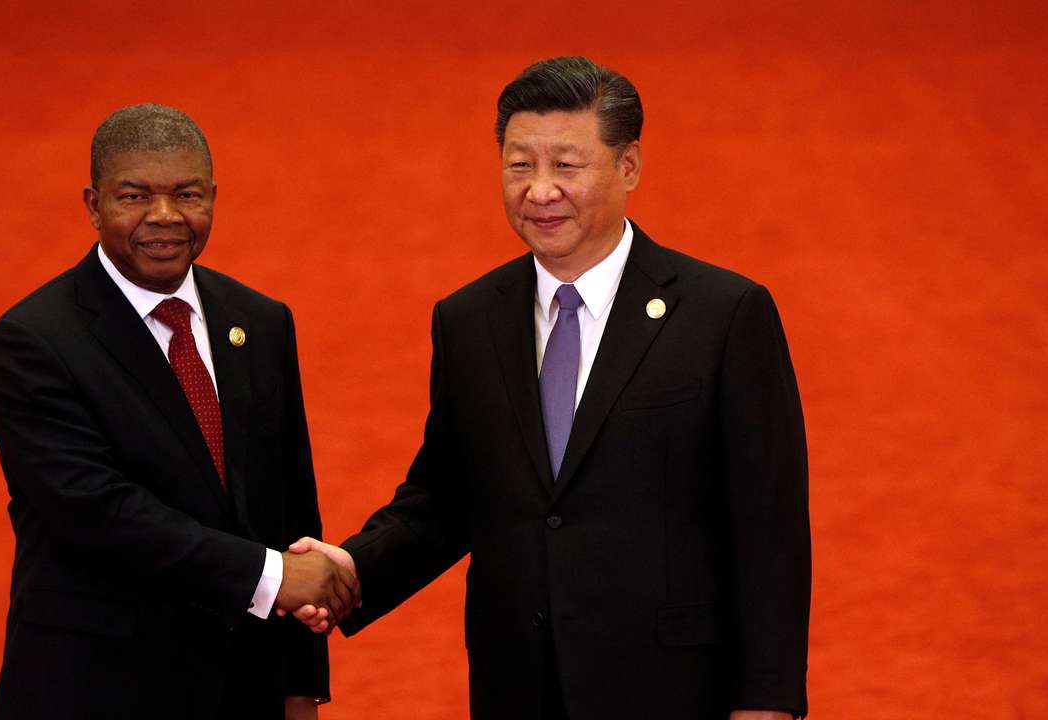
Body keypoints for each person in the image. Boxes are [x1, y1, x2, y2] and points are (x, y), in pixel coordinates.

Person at [290, 57, 811, 719]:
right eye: (518, 165)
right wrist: (351, 569)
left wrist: (765, 703)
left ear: (628, 167)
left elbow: (770, 531)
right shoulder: (469, 319)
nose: (539, 192)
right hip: (519, 685)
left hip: (673, 688)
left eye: (566, 165)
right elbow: (446, 499)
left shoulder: (724, 314)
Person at [0, 103, 356, 720]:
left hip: (243, 688)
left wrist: (299, 686)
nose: (165, 217)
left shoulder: (259, 321)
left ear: (213, 197)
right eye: (135, 195)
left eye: (186, 194)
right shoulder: (33, 341)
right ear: (92, 203)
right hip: (95, 689)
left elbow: (290, 509)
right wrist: (270, 576)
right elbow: (95, 510)